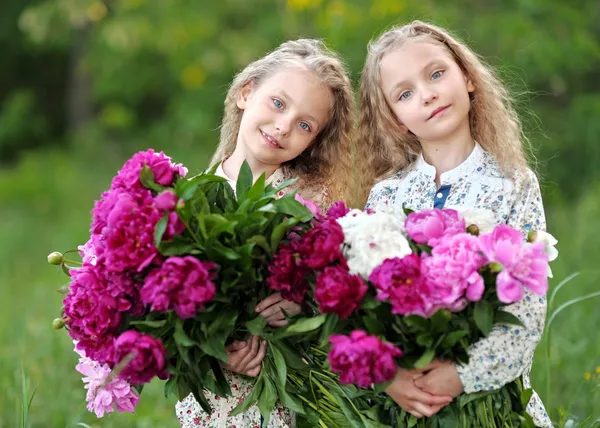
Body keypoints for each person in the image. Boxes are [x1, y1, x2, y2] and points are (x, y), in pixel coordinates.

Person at [359, 20, 552, 427]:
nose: (427, 95)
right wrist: (391, 378)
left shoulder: (511, 185)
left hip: (493, 403)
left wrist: (461, 376)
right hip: (407, 406)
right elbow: (363, 307)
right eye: (405, 93)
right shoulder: (386, 197)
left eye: (436, 74)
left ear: (467, 77)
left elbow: (528, 313)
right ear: (396, 119)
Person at [176, 38, 355, 428]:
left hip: (289, 391)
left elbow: (340, 289)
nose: (283, 125)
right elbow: (174, 313)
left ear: (314, 140)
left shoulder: (311, 203)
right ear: (247, 92)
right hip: (213, 396)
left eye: (304, 125)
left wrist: (301, 301)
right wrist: (215, 349)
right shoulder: (192, 196)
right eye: (278, 103)